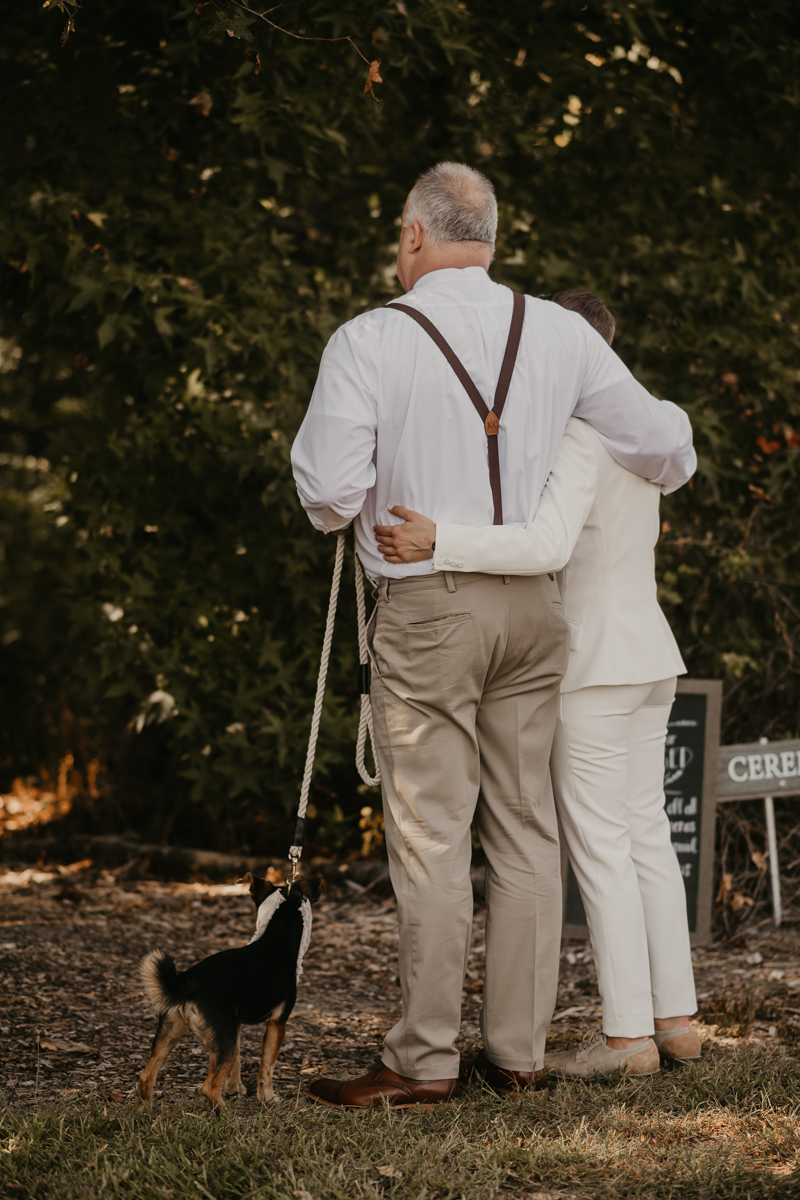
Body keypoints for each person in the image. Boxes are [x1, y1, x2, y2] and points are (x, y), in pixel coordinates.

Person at [291, 162, 696, 1109]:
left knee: (434, 836)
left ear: (416, 236)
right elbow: (665, 446)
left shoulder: (368, 340)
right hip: (537, 610)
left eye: (400, 232)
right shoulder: (559, 334)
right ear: (495, 238)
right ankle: (518, 1054)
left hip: (431, 606)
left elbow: (326, 494)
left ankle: (426, 1061)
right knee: (526, 827)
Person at [374, 288, 699, 1079]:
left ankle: (625, 1040)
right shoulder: (656, 427)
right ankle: (677, 1020)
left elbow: (546, 542)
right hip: (651, 654)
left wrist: (439, 538)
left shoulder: (576, 438)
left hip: (592, 666)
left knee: (601, 846)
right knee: (647, 835)